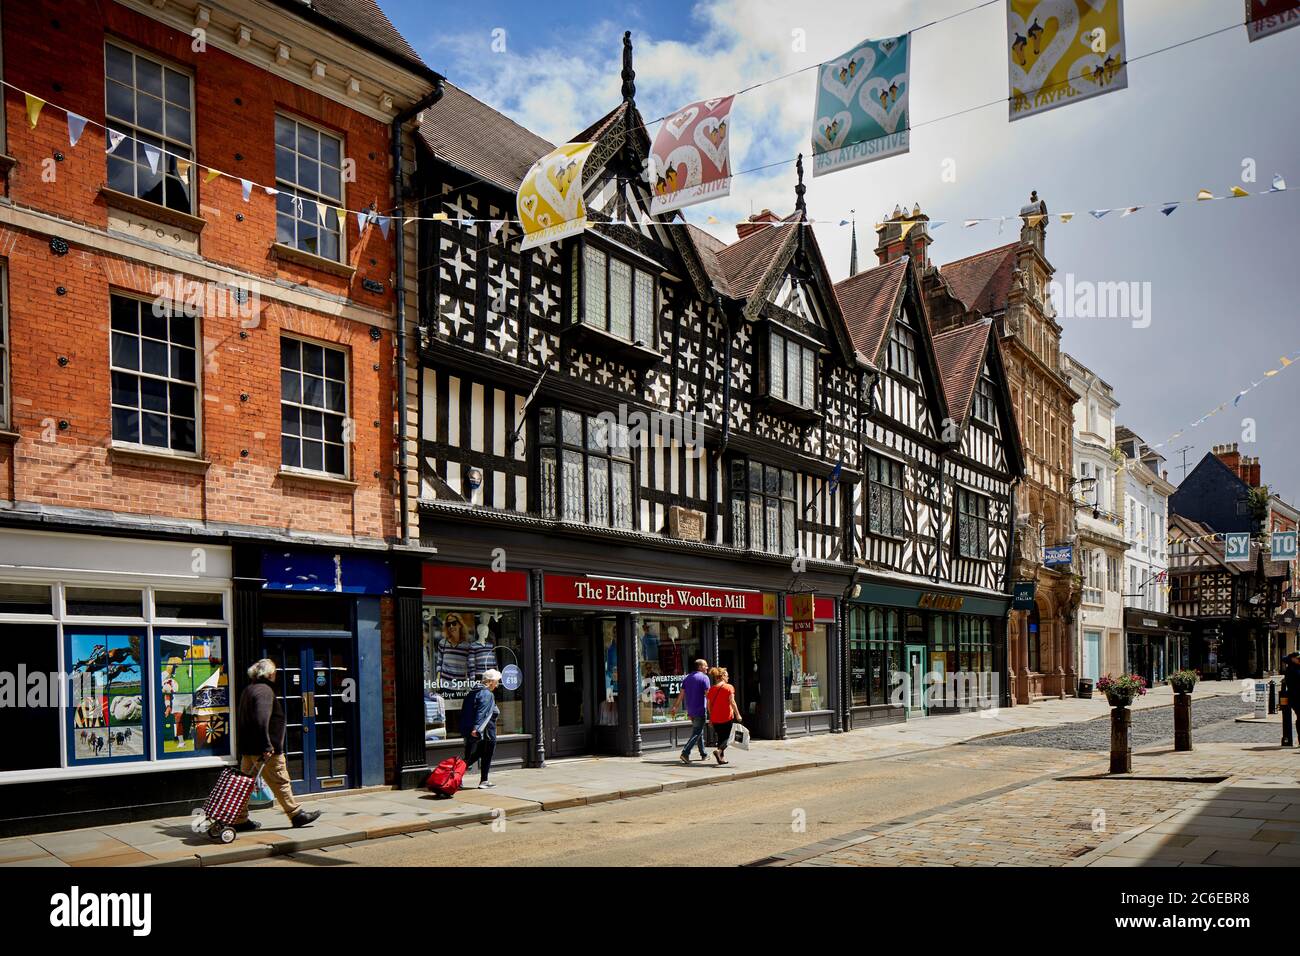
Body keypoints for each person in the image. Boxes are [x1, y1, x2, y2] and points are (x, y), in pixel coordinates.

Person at [231, 658, 321, 831]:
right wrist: (267, 746)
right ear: (270, 674)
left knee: (245, 784)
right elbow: (261, 720)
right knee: (280, 781)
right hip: (265, 749)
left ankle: (240, 820)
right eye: (275, 672)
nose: (276, 675)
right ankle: (296, 815)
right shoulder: (264, 691)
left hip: (249, 748)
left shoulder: (249, 689)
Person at [461, 668, 501, 789]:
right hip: (486, 730)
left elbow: (466, 711)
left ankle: (457, 776)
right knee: (485, 754)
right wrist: (476, 729)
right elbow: (482, 712)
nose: (497, 684)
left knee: (474, 755)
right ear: (490, 681)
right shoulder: (487, 693)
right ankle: (483, 780)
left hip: (473, 729)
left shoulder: (473, 692)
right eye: (496, 681)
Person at [676, 659, 711, 765]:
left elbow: (681, 695)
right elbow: (708, 695)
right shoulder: (705, 678)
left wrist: (675, 707)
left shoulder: (687, 678)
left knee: (699, 731)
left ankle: (703, 754)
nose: (707, 667)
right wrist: (711, 709)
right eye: (705, 665)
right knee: (697, 732)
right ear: (700, 667)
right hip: (700, 709)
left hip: (691, 710)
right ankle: (685, 753)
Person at [705, 666, 741, 766]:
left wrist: (711, 719)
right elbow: (732, 702)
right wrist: (738, 714)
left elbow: (709, 706)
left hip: (715, 718)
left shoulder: (711, 689)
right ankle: (719, 750)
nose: (728, 678)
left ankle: (721, 758)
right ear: (723, 676)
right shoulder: (729, 687)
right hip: (726, 717)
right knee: (729, 738)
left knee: (721, 738)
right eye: (727, 676)